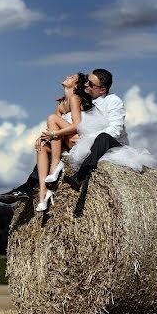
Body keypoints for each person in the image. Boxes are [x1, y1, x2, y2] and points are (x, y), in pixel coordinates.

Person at [0, 68, 130, 204]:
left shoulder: (113, 101)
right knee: (46, 148)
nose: (87, 85)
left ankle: (80, 176)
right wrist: (47, 135)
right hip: (83, 143)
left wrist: (86, 137)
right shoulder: (85, 99)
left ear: (102, 90)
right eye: (87, 81)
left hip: (111, 146)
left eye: (91, 84)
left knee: (103, 137)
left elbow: (115, 130)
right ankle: (27, 188)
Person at [32, 73, 93, 211]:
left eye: (72, 77)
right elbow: (51, 128)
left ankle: (54, 165)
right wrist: (43, 137)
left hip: (77, 140)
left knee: (52, 117)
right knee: (41, 146)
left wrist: (54, 134)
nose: (67, 76)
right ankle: (43, 193)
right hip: (65, 142)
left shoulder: (74, 98)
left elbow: (77, 125)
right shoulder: (61, 104)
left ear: (76, 85)